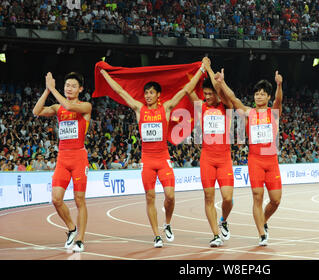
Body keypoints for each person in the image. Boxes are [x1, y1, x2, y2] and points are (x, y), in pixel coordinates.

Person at [100, 61, 205, 248]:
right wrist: (105, 75)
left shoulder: (165, 109)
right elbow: (121, 92)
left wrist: (202, 70)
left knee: (170, 196)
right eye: (145, 93)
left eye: (151, 93)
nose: (147, 96)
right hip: (147, 160)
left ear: (158, 95)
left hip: (163, 158)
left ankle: (167, 223)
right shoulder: (140, 109)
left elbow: (186, 89)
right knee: (150, 197)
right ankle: (156, 235)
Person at [216, 69, 283, 246]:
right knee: (257, 196)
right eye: (256, 93)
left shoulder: (274, 113)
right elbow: (233, 99)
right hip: (255, 160)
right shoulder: (249, 112)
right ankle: (261, 234)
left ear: (268, 97)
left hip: (272, 161)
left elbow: (279, 100)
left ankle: (264, 220)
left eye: (262, 94)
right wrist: (222, 83)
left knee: (275, 200)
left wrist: (279, 84)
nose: (259, 96)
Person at [32, 72, 92, 253]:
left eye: (73, 86)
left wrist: (53, 88)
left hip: (79, 158)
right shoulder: (58, 108)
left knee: (79, 199)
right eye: (66, 85)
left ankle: (81, 239)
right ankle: (72, 229)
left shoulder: (86, 106)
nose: (69, 88)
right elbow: (36, 112)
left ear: (80, 89)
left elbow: (68, 104)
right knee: (56, 199)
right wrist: (46, 91)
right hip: (63, 159)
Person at [186, 57, 234, 247]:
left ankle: (223, 220)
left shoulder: (226, 106)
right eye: (204, 93)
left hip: (224, 159)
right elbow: (188, 90)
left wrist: (209, 67)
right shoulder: (201, 107)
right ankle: (215, 235)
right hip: (207, 158)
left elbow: (222, 91)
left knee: (228, 198)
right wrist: (200, 71)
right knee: (208, 197)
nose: (206, 96)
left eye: (209, 94)